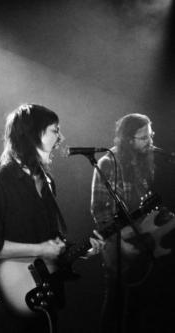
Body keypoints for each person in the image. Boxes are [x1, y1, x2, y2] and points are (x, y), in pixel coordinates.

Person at [0, 104, 104, 333]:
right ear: (33, 134)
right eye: (55, 130)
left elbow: (49, 240)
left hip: (44, 293)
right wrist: (40, 249)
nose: (61, 137)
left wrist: (83, 250)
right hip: (8, 299)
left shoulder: (47, 182)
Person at [91, 113, 175, 333]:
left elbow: (142, 204)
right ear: (128, 140)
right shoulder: (108, 162)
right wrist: (119, 243)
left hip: (141, 241)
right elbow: (100, 211)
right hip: (117, 245)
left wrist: (161, 217)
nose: (150, 141)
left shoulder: (143, 161)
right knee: (114, 307)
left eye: (150, 135)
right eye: (143, 137)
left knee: (137, 308)